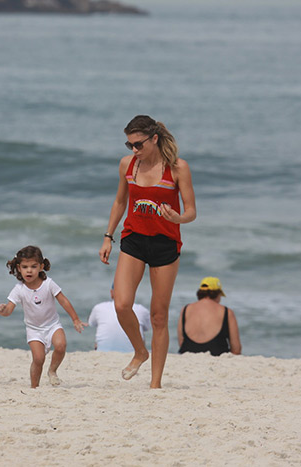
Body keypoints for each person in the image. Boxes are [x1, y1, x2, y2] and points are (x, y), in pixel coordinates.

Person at [99, 115, 197, 388]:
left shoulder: (178, 168)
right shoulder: (127, 165)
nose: (134, 150)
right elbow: (120, 202)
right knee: (121, 303)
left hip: (165, 244)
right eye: (130, 144)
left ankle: (155, 383)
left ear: (154, 138)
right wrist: (108, 236)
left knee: (158, 316)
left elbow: (191, 211)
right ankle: (140, 351)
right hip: (133, 240)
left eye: (139, 144)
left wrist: (178, 218)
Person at [0, 245, 86, 388]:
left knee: (61, 345)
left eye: (33, 266)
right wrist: (3, 310)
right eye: (25, 267)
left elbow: (63, 300)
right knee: (38, 359)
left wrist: (75, 319)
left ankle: (52, 371)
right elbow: (9, 310)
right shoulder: (19, 289)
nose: (29, 270)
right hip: (34, 329)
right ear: (19, 268)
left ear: (41, 266)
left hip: (52, 325)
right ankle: (34, 388)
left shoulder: (48, 284)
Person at [177, 277, 241, 356]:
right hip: (217, 353)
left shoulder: (185, 309)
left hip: (188, 352)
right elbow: (236, 349)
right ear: (218, 294)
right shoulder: (226, 312)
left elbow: (181, 342)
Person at [88, 284, 151, 352]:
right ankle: (139, 351)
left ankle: (103, 347)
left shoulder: (99, 307)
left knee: (102, 328)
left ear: (112, 293)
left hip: (103, 352)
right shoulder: (141, 309)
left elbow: (91, 323)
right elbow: (148, 327)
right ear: (133, 294)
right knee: (139, 329)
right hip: (132, 352)